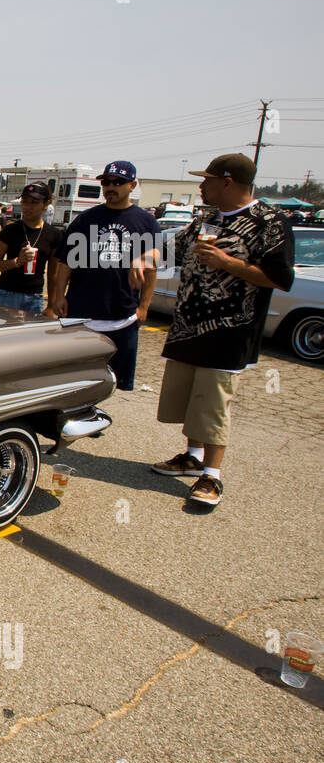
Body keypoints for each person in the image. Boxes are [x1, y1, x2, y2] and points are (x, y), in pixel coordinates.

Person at [150, 153, 294, 510]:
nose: (201, 186)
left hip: (231, 332)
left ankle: (212, 476)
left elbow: (280, 278)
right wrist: (143, 260)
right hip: (187, 329)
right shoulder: (208, 218)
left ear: (228, 182)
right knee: (189, 399)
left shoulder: (269, 221)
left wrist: (229, 263)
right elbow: (174, 250)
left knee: (214, 405)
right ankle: (193, 456)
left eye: (207, 180)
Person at [48, 160, 161, 391]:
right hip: (81, 316)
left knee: (114, 382)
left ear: (133, 185)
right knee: (75, 380)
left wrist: (144, 306)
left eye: (118, 182)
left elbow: (154, 263)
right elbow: (66, 262)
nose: (111, 187)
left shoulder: (146, 221)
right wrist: (58, 296)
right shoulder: (85, 219)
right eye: (107, 182)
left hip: (122, 317)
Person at [0, 183, 62, 314]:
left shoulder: (53, 234)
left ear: (46, 204)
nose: (28, 207)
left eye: (34, 202)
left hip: (34, 298)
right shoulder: (10, 231)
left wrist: (51, 305)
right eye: (25, 202)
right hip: (6, 295)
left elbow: (53, 274)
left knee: (30, 334)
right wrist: (16, 262)